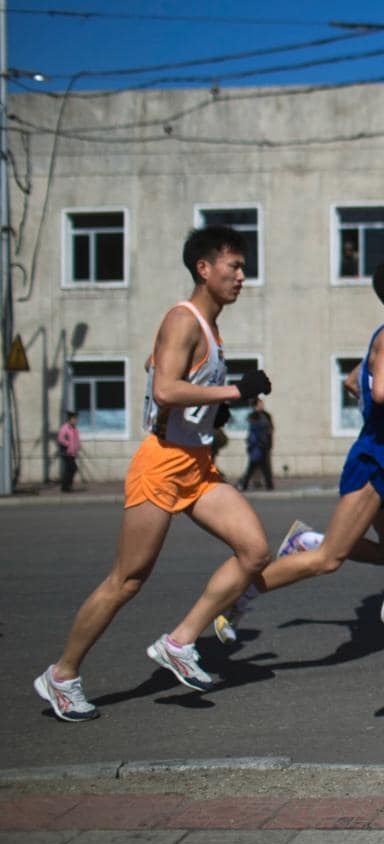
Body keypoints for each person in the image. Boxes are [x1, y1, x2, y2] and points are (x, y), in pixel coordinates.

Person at [33, 225, 273, 722]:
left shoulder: (208, 328)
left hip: (197, 465)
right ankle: (61, 675)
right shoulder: (182, 320)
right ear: (204, 269)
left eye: (243, 267)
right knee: (128, 579)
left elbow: (166, 381)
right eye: (234, 266)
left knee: (253, 550)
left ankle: (179, 641)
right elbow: (164, 389)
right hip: (162, 464)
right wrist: (233, 394)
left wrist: (211, 413)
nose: (242, 277)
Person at [220, 258, 384, 668]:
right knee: (329, 559)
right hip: (375, 463)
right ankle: (242, 594)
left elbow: (356, 383)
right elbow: (380, 390)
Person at [237, 397, 274, 490]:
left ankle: (247, 483)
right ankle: (267, 484)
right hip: (257, 446)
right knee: (255, 467)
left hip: (263, 445)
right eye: (259, 404)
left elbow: (270, 429)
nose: (261, 406)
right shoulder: (254, 416)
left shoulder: (266, 415)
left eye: (262, 404)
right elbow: (254, 432)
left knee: (260, 467)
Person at [56, 410, 80, 492]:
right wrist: (68, 444)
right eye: (74, 419)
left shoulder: (74, 429)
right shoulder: (65, 428)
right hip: (66, 452)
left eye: (76, 419)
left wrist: (77, 446)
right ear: (70, 419)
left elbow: (76, 439)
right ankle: (65, 486)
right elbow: (60, 439)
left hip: (72, 453)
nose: (76, 421)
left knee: (71, 469)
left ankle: (67, 486)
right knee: (72, 468)